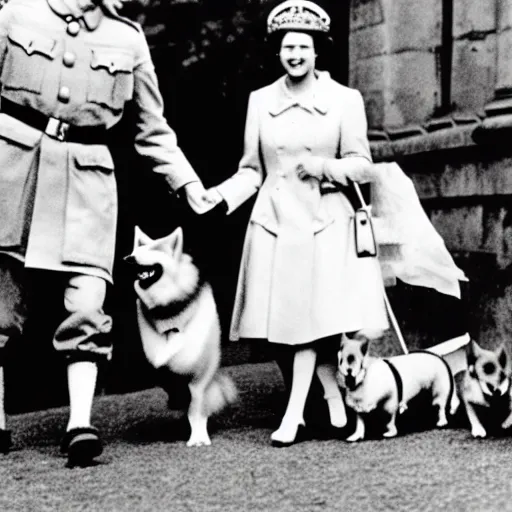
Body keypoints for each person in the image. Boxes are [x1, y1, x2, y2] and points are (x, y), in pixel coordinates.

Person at [0, 0, 215, 466]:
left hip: (87, 181)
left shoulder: (128, 39)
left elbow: (153, 131)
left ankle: (80, 423)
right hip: (10, 171)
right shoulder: (17, 13)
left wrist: (189, 184)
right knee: (0, 301)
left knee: (87, 301)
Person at [204, 0, 389, 446]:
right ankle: (329, 396)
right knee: (282, 325)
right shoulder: (261, 101)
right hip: (275, 222)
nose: (295, 55)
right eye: (288, 46)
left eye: (303, 46)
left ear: (317, 50)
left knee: (313, 323)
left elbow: (362, 164)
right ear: (278, 50)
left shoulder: (345, 100)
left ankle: (295, 415)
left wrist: (322, 167)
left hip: (325, 221)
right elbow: (252, 169)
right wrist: (220, 196)